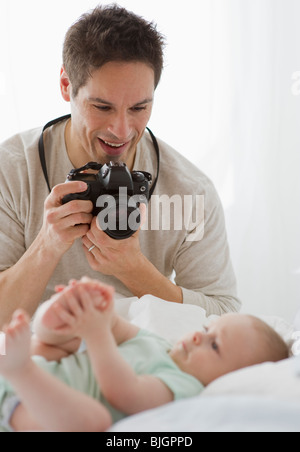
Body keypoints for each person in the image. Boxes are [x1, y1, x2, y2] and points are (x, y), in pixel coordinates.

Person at [0, 4, 240, 327]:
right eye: (102, 106)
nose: (122, 131)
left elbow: (226, 317)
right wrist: (47, 246)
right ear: (66, 85)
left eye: (139, 107)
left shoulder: (190, 191)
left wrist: (134, 269)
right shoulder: (12, 171)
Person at [0, 278, 289, 432]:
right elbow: (115, 325)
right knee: (57, 338)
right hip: (46, 365)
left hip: (30, 402)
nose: (199, 336)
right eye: (206, 328)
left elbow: (124, 392)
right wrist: (88, 305)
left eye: (214, 346)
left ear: (229, 378)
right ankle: (48, 321)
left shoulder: (184, 386)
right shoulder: (158, 344)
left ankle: (19, 371)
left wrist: (97, 333)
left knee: (94, 423)